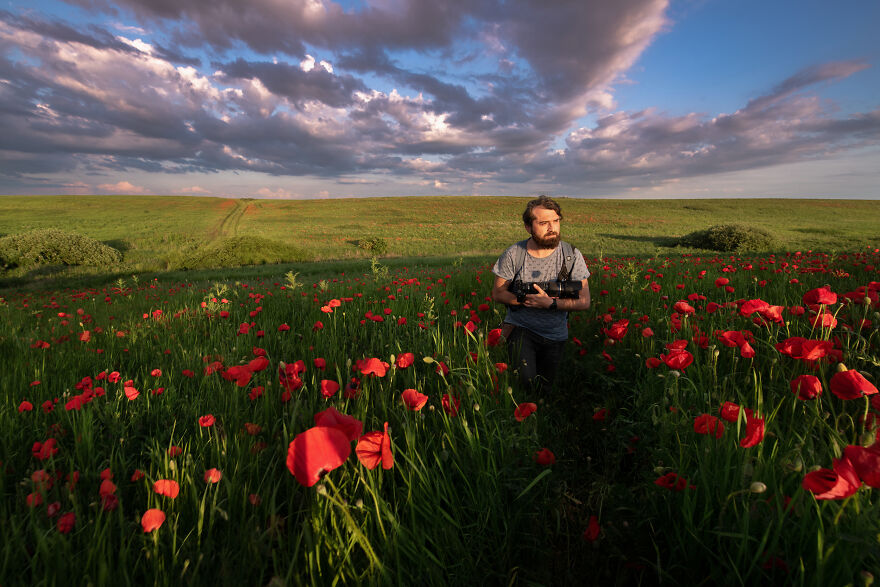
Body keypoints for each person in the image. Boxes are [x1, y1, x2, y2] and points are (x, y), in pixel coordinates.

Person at [491, 196, 591, 392]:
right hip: (522, 329)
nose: (551, 227)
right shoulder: (514, 254)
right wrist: (524, 300)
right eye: (543, 223)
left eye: (555, 221)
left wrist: (551, 304)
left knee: (546, 388)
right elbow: (497, 293)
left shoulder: (571, 255)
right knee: (526, 384)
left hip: (556, 334)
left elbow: (585, 301)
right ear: (528, 227)